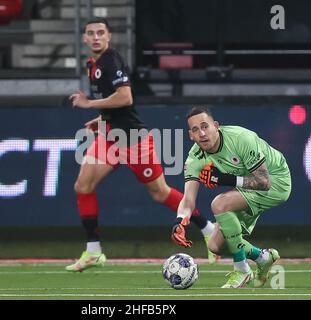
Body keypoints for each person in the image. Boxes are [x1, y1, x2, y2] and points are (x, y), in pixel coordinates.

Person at [66, 18, 218, 272]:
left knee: (160, 193)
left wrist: (89, 104)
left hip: (132, 139)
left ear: (109, 37)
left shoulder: (111, 61)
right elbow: (114, 102)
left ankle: (209, 229)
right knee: (83, 186)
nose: (95, 37)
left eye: (100, 33)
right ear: (84, 38)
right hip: (109, 134)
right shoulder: (93, 64)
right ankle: (93, 251)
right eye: (90, 33)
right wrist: (101, 118)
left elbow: (125, 97)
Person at [171, 106, 291, 288]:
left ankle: (242, 270)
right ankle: (263, 257)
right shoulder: (195, 158)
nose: (202, 133)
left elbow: (264, 182)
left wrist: (224, 178)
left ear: (216, 126)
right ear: (191, 135)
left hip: (277, 181)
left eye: (205, 126)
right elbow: (188, 200)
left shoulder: (241, 138)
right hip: (249, 188)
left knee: (219, 204)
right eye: (195, 130)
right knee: (215, 245)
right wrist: (180, 221)